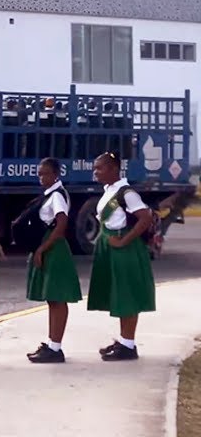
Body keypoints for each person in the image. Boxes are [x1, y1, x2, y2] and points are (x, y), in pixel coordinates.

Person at [87, 152, 156, 361]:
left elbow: (145, 218)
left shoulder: (127, 193)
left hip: (124, 248)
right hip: (110, 247)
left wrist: (124, 241)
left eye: (99, 168)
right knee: (118, 294)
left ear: (113, 169)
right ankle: (125, 342)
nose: (95, 172)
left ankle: (128, 345)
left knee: (127, 295)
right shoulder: (110, 191)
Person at [25, 157, 82, 364]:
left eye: (46, 173)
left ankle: (56, 347)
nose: (41, 177)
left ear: (56, 174)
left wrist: (42, 249)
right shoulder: (49, 194)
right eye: (39, 174)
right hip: (49, 246)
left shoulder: (57, 196)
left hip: (54, 248)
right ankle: (51, 344)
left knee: (57, 297)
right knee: (52, 298)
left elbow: (61, 225)